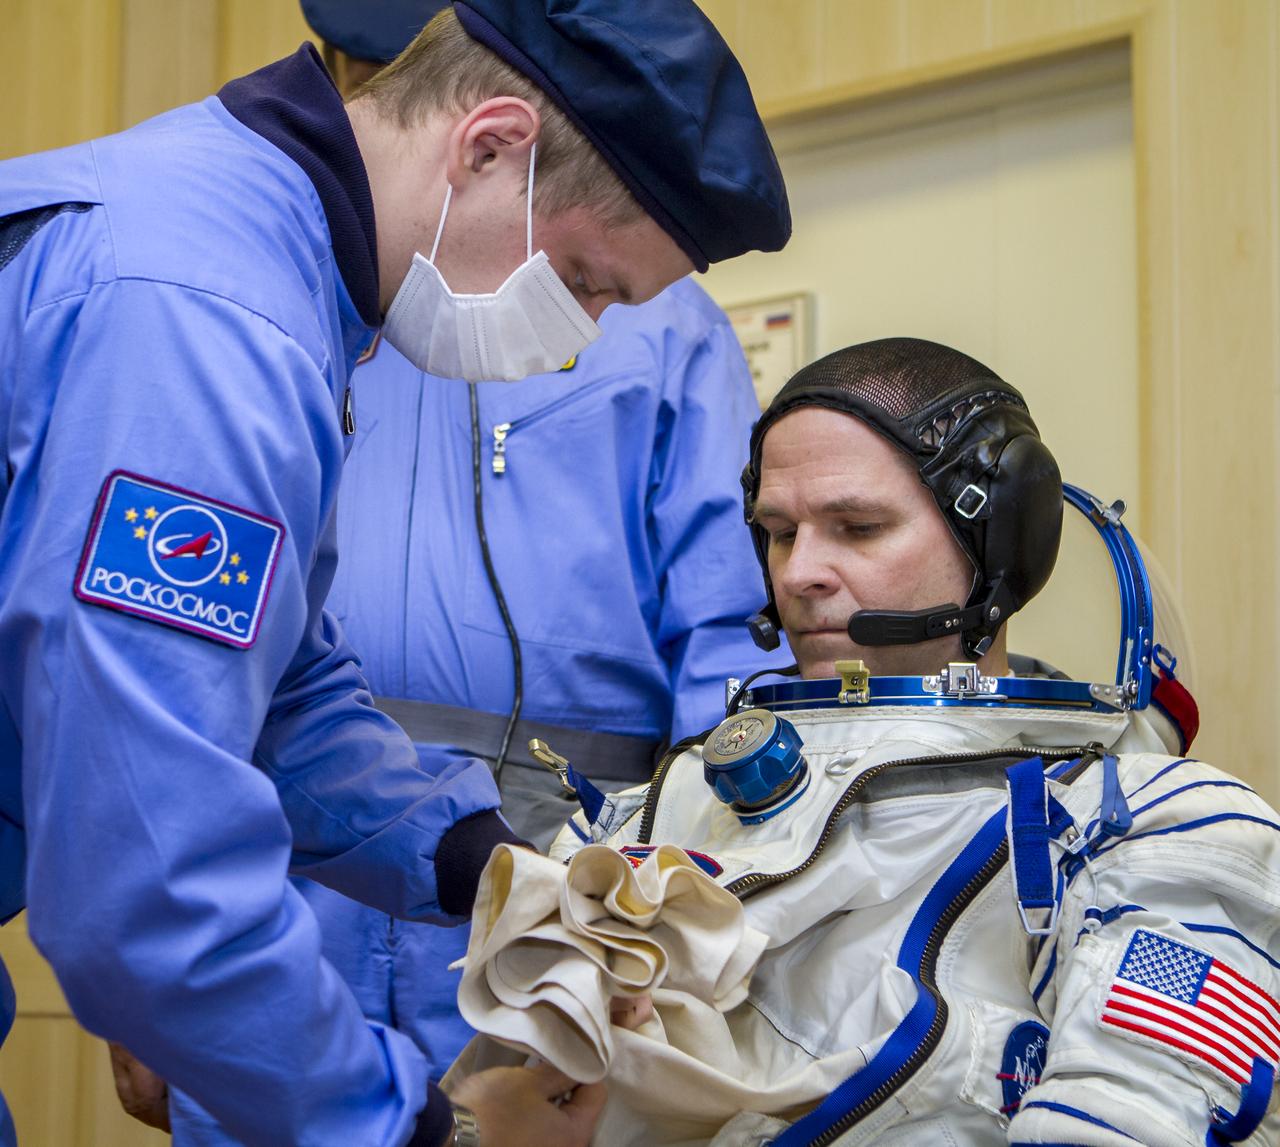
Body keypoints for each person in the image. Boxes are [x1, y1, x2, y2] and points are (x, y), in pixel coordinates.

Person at [0, 1, 790, 1143]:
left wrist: (486, 865)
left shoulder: (248, 254)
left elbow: (281, 686)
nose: (574, 339)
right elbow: (148, 877)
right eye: (583, 279)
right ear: (487, 147)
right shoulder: (203, 320)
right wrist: (404, 1130)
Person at [449, 339, 1280, 1146]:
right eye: (780, 531)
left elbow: (1137, 1114)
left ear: (997, 544)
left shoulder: (1148, 826)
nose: (799, 572)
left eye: (856, 527)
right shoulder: (653, 811)